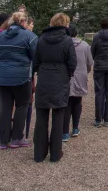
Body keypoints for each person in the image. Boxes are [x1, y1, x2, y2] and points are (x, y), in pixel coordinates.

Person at [0, 12, 38, 149]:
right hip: (21, 75)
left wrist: (1, 65)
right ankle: (16, 137)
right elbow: (36, 56)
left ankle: (3, 140)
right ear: (23, 22)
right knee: (22, 105)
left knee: (5, 105)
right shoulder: (30, 37)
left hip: (2, 75)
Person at [33, 13, 76, 163]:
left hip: (44, 78)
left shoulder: (41, 39)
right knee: (58, 117)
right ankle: (55, 153)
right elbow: (72, 62)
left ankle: (39, 153)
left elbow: (36, 61)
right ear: (65, 24)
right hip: (60, 78)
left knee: (41, 117)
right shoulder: (67, 40)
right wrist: (67, 74)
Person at [62, 24, 93, 142]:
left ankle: (65, 132)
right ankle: (75, 128)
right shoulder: (85, 45)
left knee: (66, 104)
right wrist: (85, 71)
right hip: (80, 75)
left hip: (66, 76)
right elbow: (90, 62)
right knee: (77, 102)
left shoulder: (63, 44)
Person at [24, 17, 35, 139]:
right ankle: (22, 132)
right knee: (26, 102)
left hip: (9, 73)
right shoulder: (31, 37)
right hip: (26, 73)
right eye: (31, 24)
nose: (33, 26)